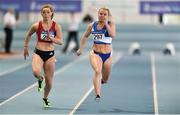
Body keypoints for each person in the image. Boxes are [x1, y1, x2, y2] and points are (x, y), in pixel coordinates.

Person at [23, 4, 63, 107]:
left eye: (48, 12)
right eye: (44, 12)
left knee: (49, 82)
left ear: (52, 13)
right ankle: (40, 79)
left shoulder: (56, 26)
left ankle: (45, 98)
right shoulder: (36, 25)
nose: (46, 14)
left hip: (50, 54)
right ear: (41, 13)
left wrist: (51, 38)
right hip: (38, 52)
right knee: (36, 72)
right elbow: (28, 34)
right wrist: (26, 47)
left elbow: (60, 41)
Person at [77, 7, 116, 101]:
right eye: (100, 14)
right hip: (95, 53)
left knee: (106, 79)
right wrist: (80, 49)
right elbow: (85, 36)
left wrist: (106, 24)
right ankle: (97, 94)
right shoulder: (92, 25)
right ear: (98, 14)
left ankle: (102, 81)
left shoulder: (111, 24)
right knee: (98, 71)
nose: (102, 16)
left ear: (107, 16)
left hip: (107, 55)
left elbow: (112, 35)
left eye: (104, 14)